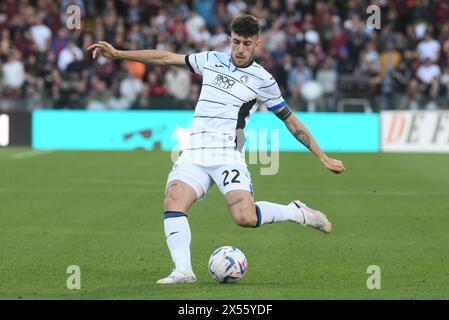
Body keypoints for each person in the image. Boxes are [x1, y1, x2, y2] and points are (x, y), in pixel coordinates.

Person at [87, 14, 346, 285]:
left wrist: (322, 156)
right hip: (196, 150)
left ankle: (296, 212)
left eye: (247, 43)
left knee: (245, 217)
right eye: (236, 42)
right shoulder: (211, 59)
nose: (240, 49)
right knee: (174, 199)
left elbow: (290, 120)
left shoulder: (263, 80)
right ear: (229, 40)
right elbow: (165, 58)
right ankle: (184, 271)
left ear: (257, 44)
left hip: (227, 154)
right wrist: (118, 53)